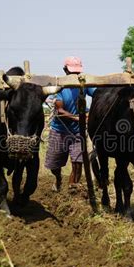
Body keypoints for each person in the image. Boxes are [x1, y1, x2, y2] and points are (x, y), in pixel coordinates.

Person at [45, 56, 96, 191]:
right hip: (59, 130)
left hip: (77, 131)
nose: (75, 75)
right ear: (65, 70)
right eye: (72, 72)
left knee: (78, 161)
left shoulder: (84, 85)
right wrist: (78, 118)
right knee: (54, 165)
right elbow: (60, 110)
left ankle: (72, 187)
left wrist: (92, 113)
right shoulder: (59, 87)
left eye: (77, 72)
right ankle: (58, 178)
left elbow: (98, 94)